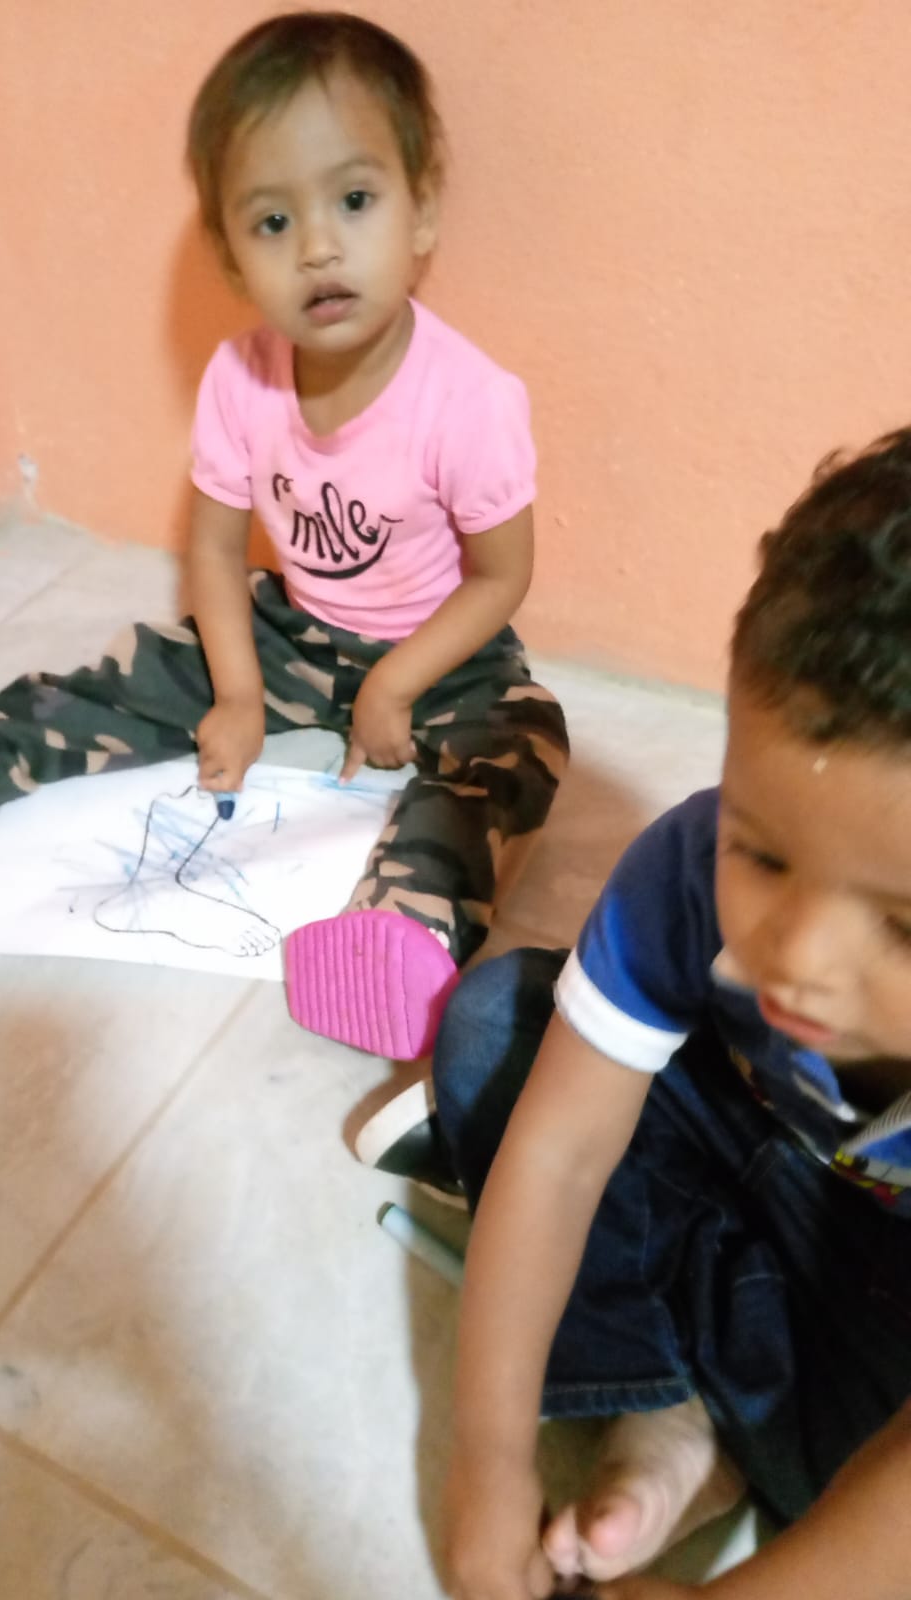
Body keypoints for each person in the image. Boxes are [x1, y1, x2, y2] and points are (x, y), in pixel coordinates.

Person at [0, 11, 567, 1060]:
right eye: (272, 221)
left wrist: (398, 682)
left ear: (422, 214)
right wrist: (238, 692)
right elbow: (218, 551)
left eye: (355, 201)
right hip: (295, 630)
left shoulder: (470, 400)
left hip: (443, 651)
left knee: (520, 745)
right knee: (133, 674)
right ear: (230, 256)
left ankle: (404, 931)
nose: (318, 246)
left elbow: (502, 577)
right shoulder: (240, 378)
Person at [377, 428, 911, 1595]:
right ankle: (666, 1404)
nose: (799, 957)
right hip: (768, 1165)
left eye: (903, 927)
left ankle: (733, 1422)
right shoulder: (685, 868)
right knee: (499, 1031)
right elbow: (562, 1151)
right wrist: (487, 1462)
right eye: (762, 852)